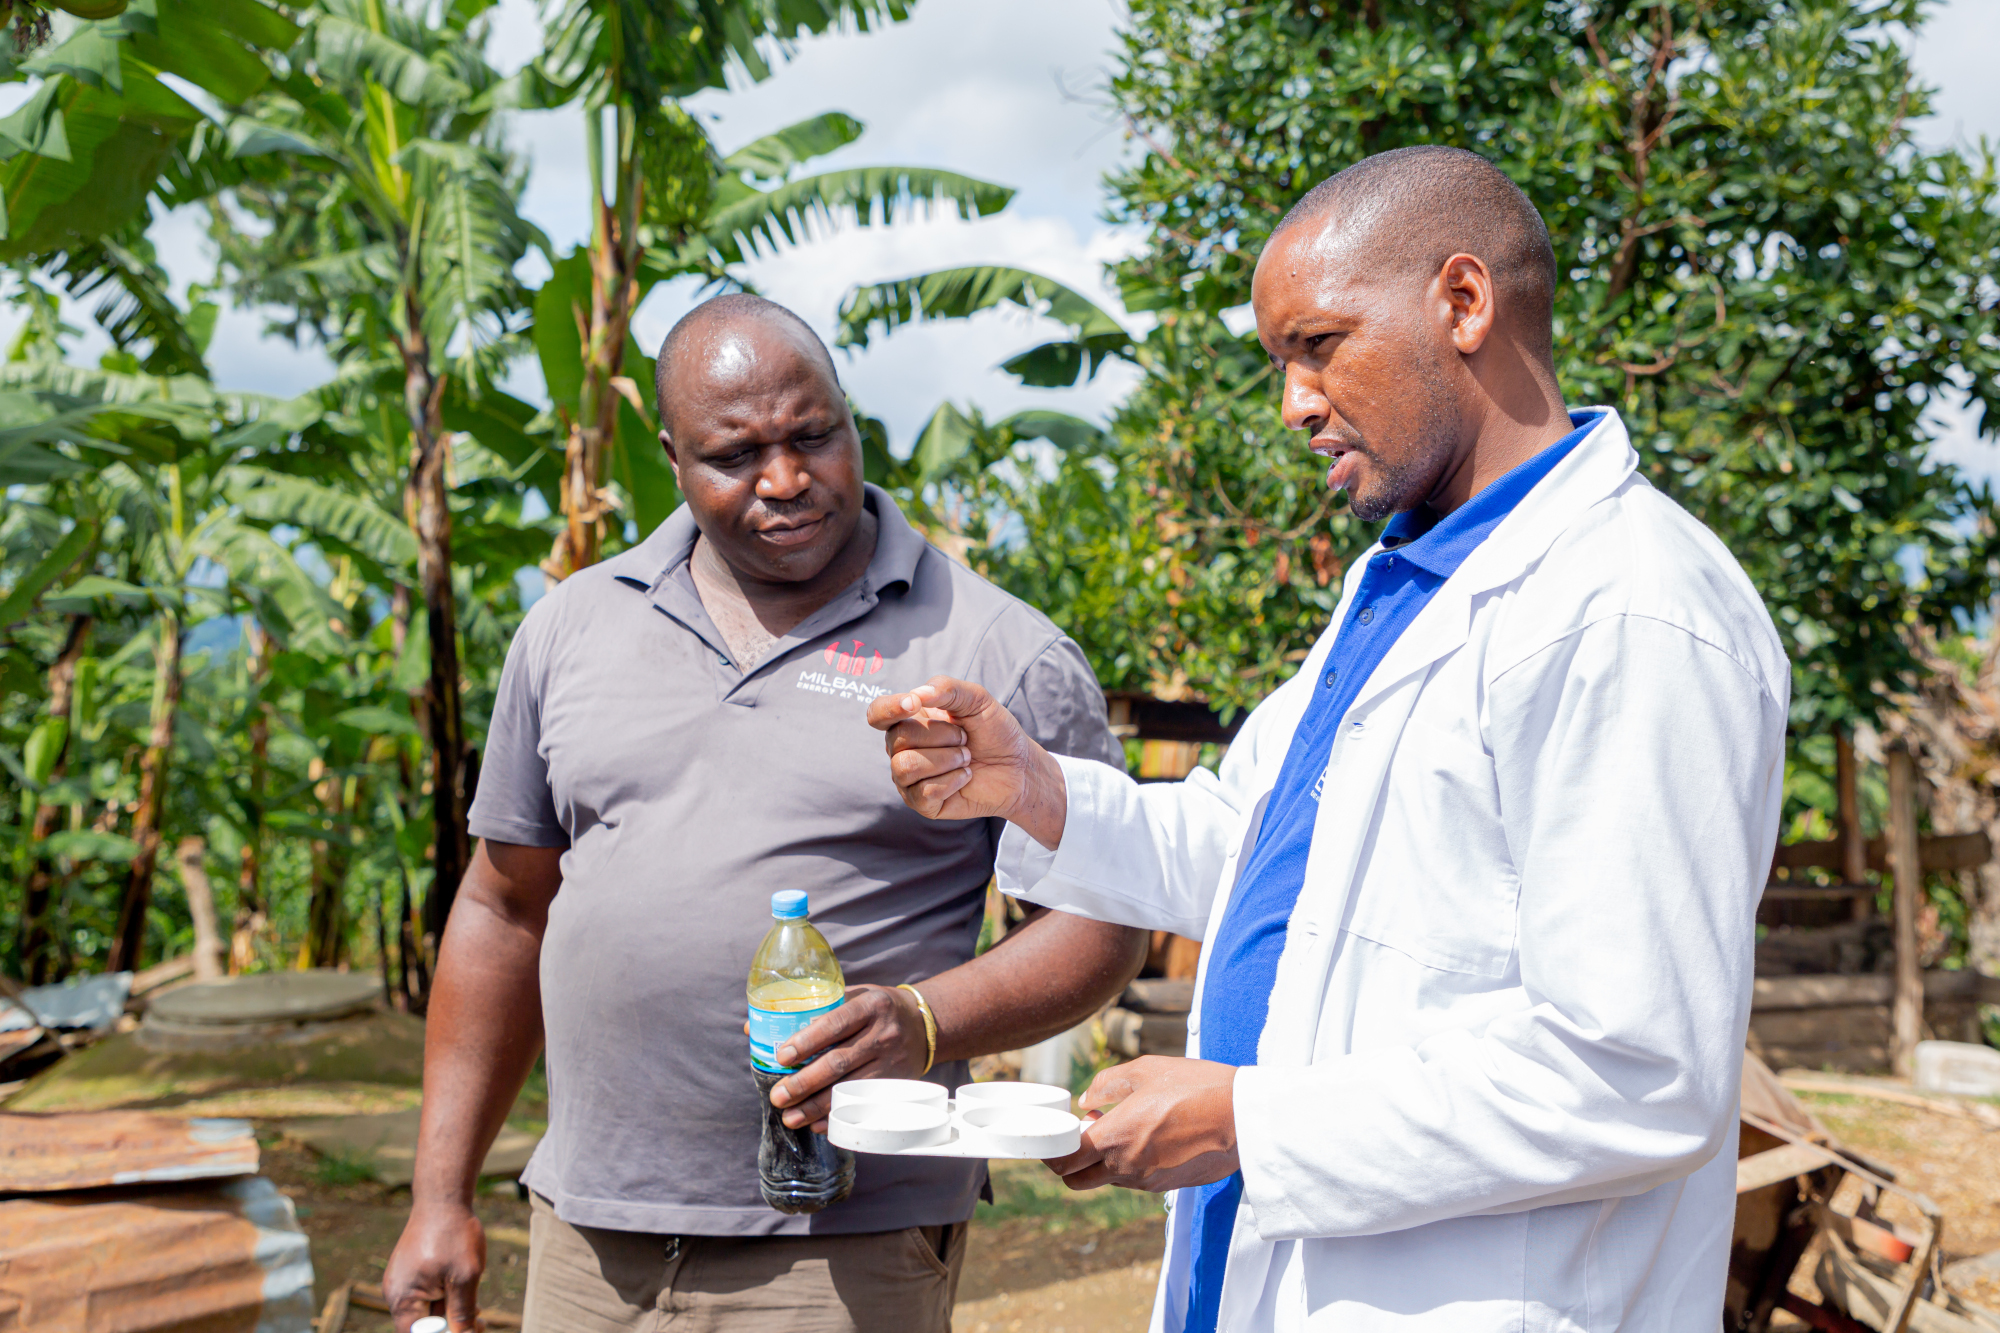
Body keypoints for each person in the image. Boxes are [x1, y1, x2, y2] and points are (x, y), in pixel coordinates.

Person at [869, 146, 1789, 1331]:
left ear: (1462, 302)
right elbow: (1248, 850)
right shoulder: (1402, 581)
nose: (1292, 402)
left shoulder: (1629, 610)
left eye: (1317, 345)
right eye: (1280, 361)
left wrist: (1250, 1120)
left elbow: (1634, 1068)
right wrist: (1033, 789)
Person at [383, 293, 1147, 1333]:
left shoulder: (993, 650)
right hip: (587, 1238)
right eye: (735, 455)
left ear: (850, 420)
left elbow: (1100, 920)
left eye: (812, 436)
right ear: (669, 456)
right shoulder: (571, 626)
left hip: (841, 1245)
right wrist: (439, 1196)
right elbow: (503, 909)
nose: (785, 481)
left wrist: (922, 1021)